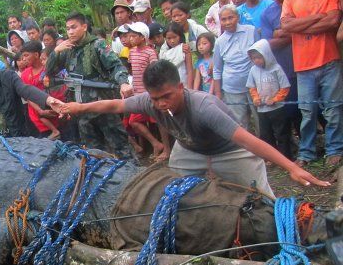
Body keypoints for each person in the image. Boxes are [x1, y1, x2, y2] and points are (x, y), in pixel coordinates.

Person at [59, 59, 331, 198]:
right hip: (189, 150)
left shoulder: (204, 107)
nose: (161, 103)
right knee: (174, 191)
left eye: (166, 96)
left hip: (230, 151)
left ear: (181, 87)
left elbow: (249, 141)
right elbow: (115, 106)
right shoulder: (150, 102)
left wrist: (291, 167)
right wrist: (77, 108)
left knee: (262, 199)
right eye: (155, 98)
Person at [46, 12, 134, 158]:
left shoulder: (97, 44)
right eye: (68, 29)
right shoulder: (68, 49)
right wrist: (56, 51)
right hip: (82, 111)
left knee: (121, 147)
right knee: (92, 153)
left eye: (74, 27)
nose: (70, 32)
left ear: (84, 27)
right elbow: (49, 71)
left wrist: (124, 83)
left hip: (103, 106)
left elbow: (116, 66)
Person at [281, 0, 343, 166]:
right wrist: (318, 17)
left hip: (329, 60)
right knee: (307, 111)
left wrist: (300, 26)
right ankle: (307, 152)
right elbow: (286, 26)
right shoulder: (290, 0)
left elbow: (333, 21)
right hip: (304, 64)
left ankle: (334, 149)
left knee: (333, 108)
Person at [260, 0, 301, 135]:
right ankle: (306, 147)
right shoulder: (267, 13)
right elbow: (269, 44)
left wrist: (281, 32)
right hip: (286, 68)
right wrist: (297, 32)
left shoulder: (302, 1)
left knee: (318, 106)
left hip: (310, 62)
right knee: (294, 110)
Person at [125, 22, 170, 160]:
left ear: (143, 37)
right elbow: (133, 71)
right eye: (130, 36)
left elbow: (155, 71)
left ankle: (167, 149)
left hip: (150, 93)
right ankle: (156, 144)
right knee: (134, 121)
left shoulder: (150, 52)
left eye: (133, 36)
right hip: (137, 93)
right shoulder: (131, 53)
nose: (130, 39)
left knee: (158, 121)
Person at [213, 5, 259, 130]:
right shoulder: (220, 42)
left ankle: (266, 147)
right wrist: (218, 93)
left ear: (237, 17)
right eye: (223, 19)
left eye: (230, 18)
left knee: (261, 119)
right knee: (240, 124)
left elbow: (261, 56)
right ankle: (246, 149)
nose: (227, 22)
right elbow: (217, 69)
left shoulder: (251, 31)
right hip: (232, 89)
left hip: (255, 85)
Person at [246, 39, 292, 159]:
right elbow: (252, 87)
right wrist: (255, 98)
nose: (256, 60)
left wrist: (276, 99)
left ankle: (285, 157)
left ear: (266, 55)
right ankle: (272, 158)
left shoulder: (276, 68)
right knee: (266, 135)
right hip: (262, 109)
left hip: (277, 108)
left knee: (281, 133)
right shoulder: (253, 70)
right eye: (253, 58)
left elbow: (285, 87)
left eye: (259, 57)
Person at [21, 41, 61, 139]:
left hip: (54, 109)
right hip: (36, 114)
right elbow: (27, 95)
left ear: (36, 54)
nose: (24, 59)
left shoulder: (48, 69)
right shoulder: (25, 74)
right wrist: (40, 111)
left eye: (26, 55)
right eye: (23, 56)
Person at [159, 22, 193, 87]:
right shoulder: (163, 51)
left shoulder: (184, 49)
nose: (172, 41)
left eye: (175, 37)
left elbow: (190, 70)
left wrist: (190, 88)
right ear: (165, 38)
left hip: (183, 83)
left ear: (180, 36)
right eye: (169, 38)